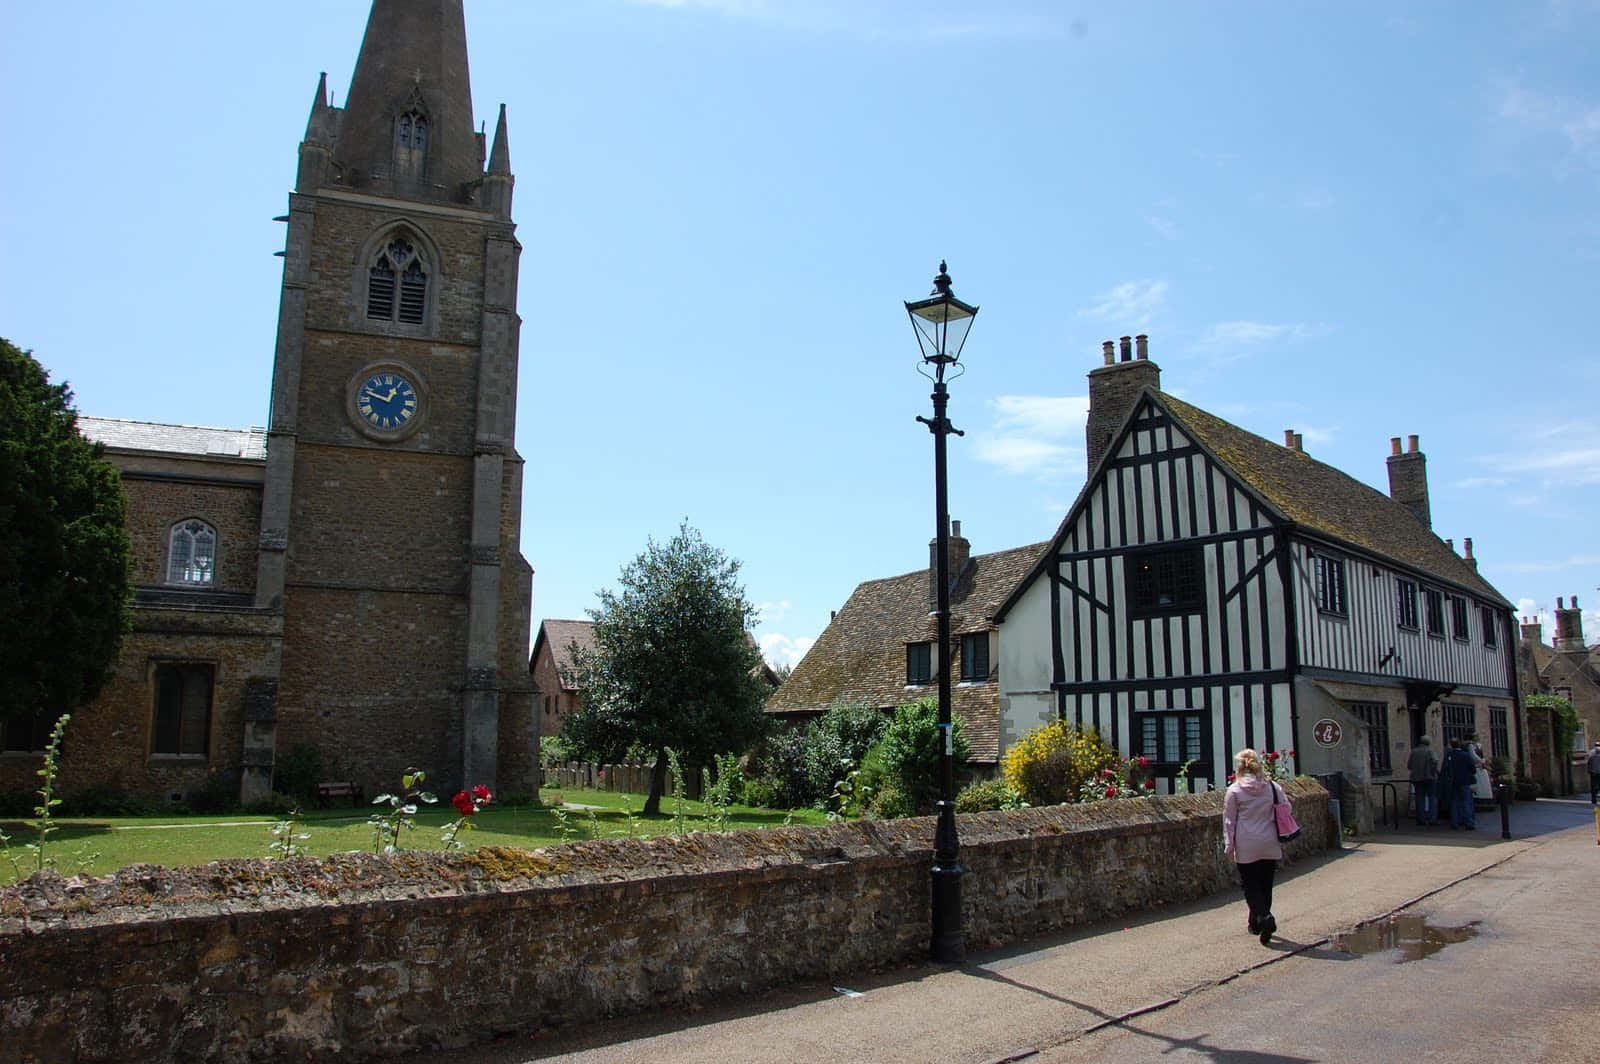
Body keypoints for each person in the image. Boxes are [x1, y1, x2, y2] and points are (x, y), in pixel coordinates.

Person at [1223, 748, 1284, 945]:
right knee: (1265, 884)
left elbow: (1229, 821)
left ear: (1239, 767)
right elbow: (1286, 808)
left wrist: (1229, 845)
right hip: (1269, 840)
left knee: (1250, 884)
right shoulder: (1272, 787)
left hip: (1247, 842)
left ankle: (1265, 917)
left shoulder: (1235, 791)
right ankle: (1257, 923)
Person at [1444, 739, 1479, 830]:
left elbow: (1446, 769)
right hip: (1465, 781)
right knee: (1466, 801)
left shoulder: (1449, 756)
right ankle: (1469, 822)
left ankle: (1455, 822)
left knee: (1454, 802)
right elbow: (1473, 769)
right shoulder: (1465, 755)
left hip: (1453, 781)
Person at [1406, 736, 1439, 825]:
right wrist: (1433, 771)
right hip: (1429, 778)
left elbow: (1409, 765)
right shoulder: (1430, 751)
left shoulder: (1414, 751)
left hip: (1417, 778)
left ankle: (1421, 819)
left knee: (1419, 798)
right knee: (1432, 797)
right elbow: (1435, 761)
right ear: (1428, 743)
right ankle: (1432, 818)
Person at [1586, 742, 1600, 806]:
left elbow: (1589, 764)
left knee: (1593, 786)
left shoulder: (1591, 755)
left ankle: (1593, 799)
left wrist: (1589, 771)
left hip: (1593, 773)